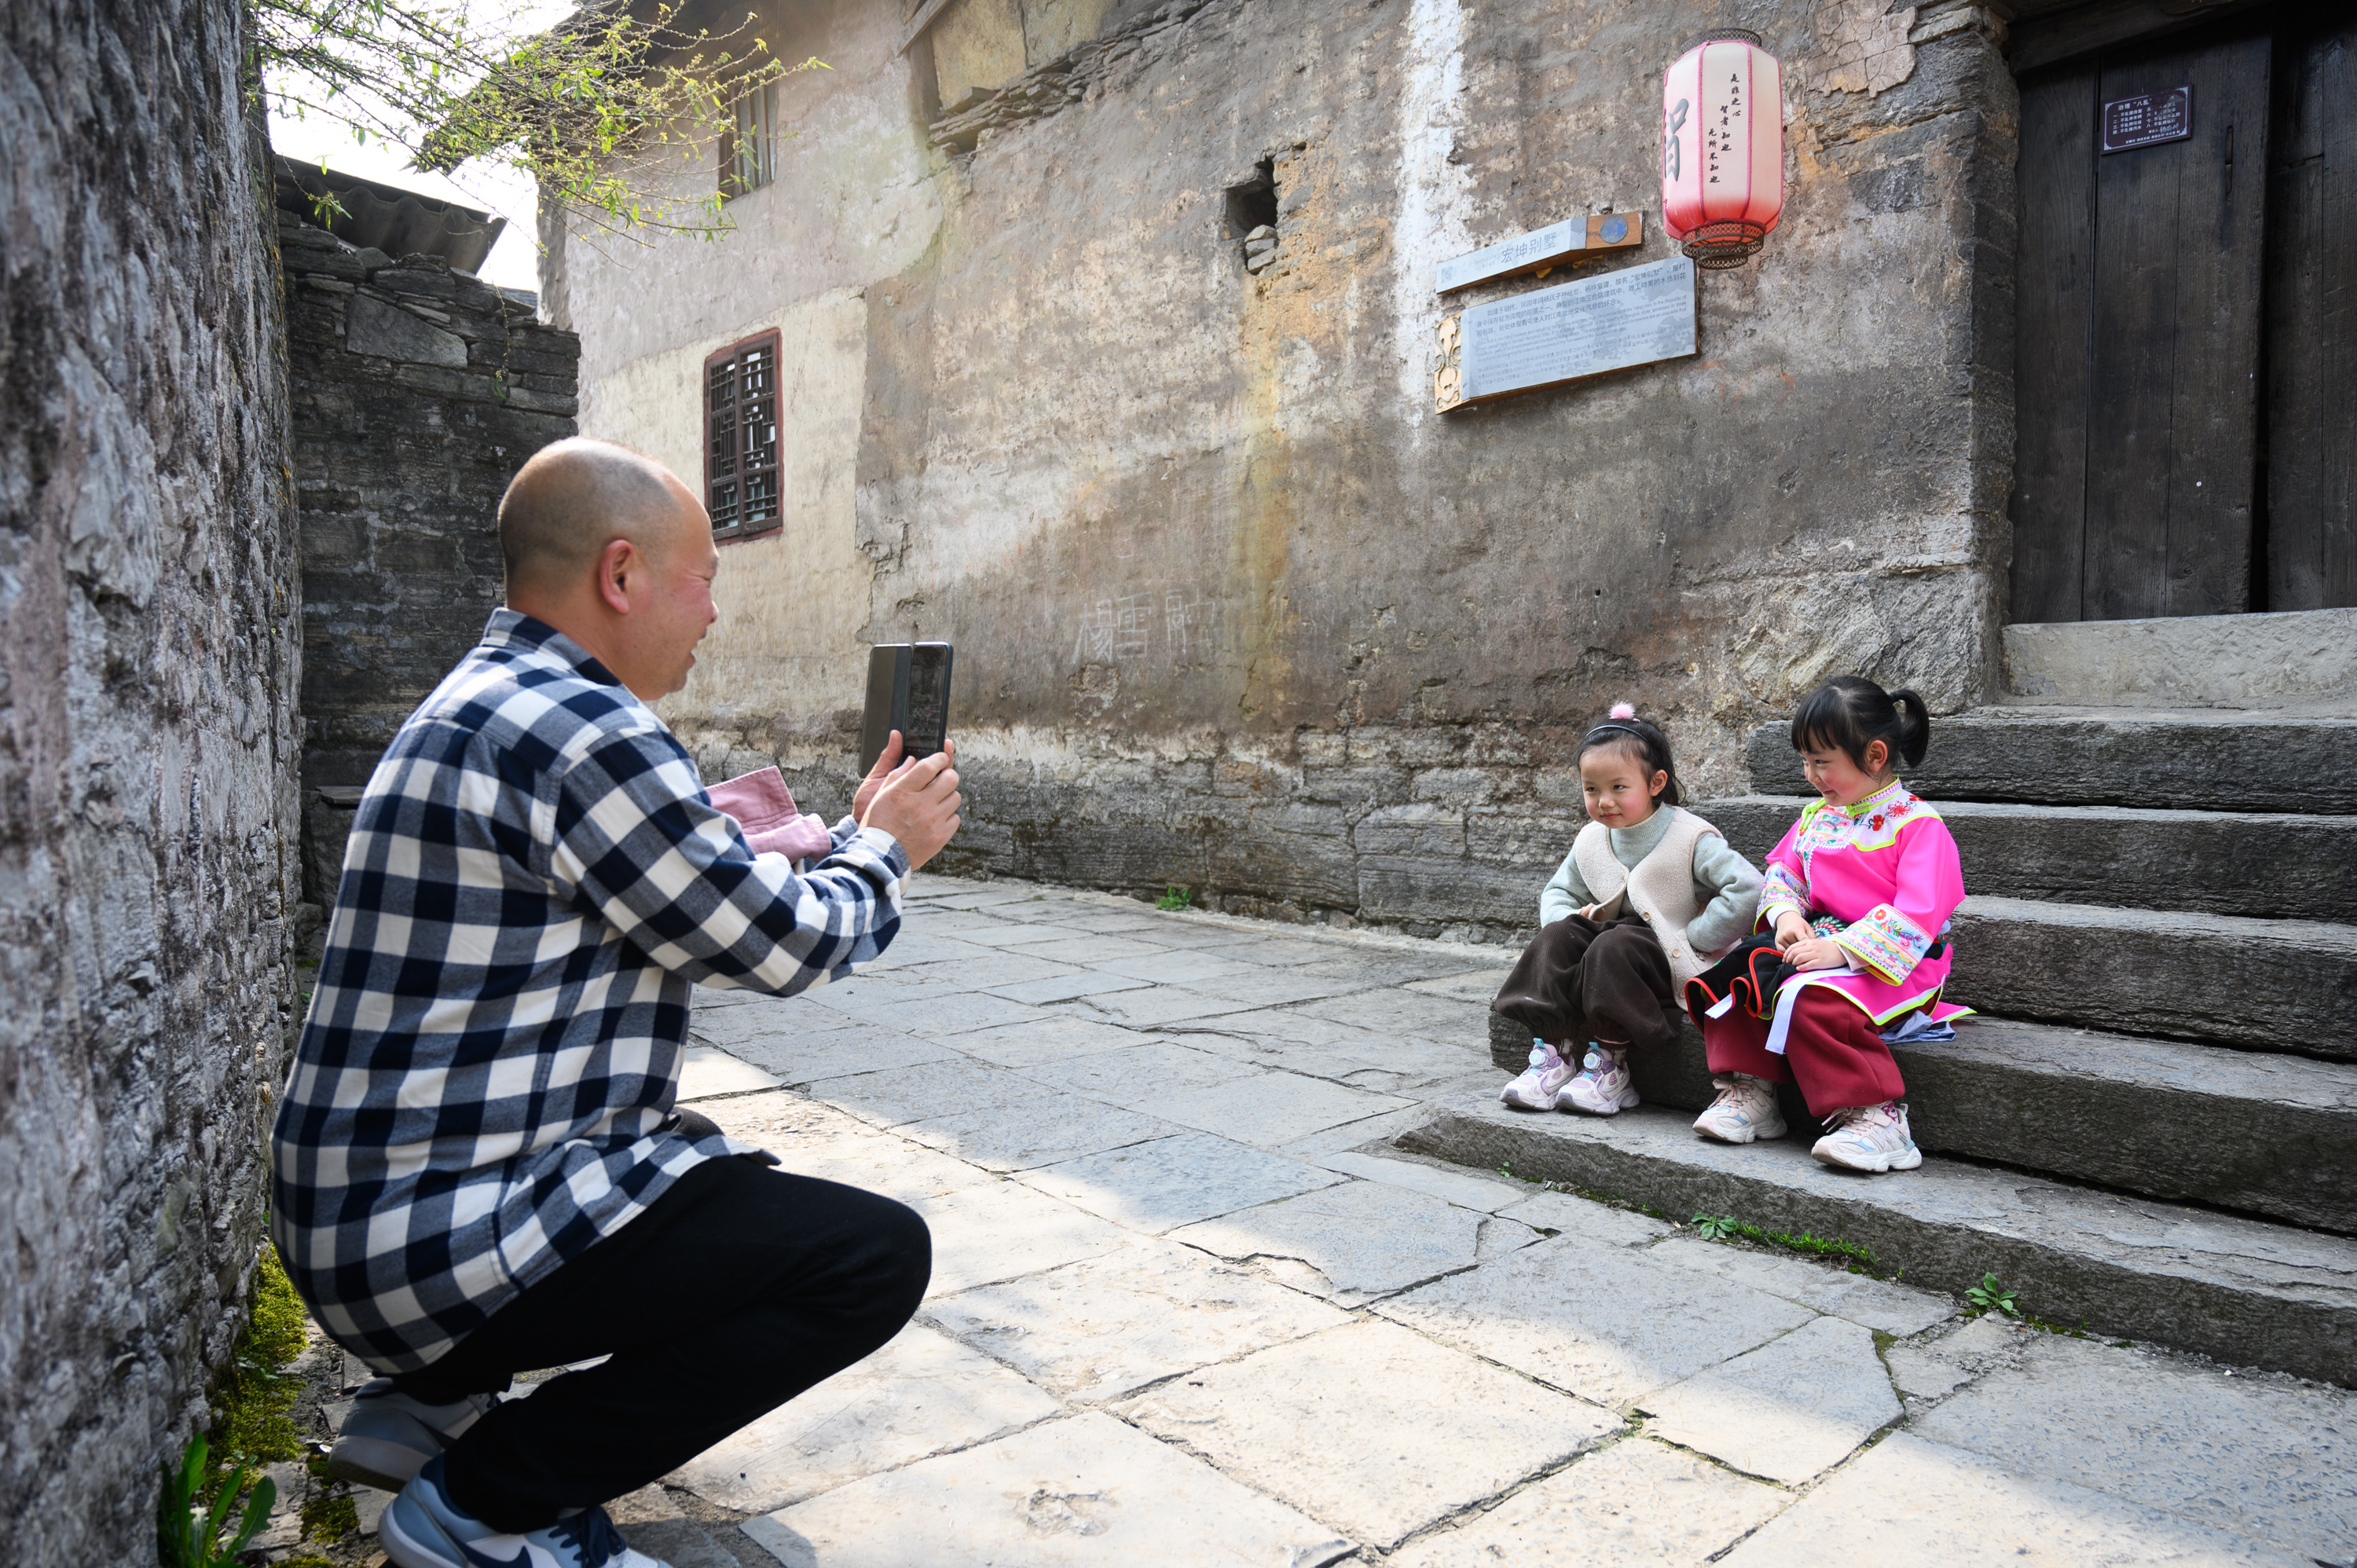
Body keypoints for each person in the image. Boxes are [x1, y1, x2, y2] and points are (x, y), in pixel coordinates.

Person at [270, 438, 964, 1568]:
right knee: (867, 1257)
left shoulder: (498, 698)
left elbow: (705, 886)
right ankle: (485, 1507)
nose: (712, 614)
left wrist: (850, 835)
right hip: (426, 1240)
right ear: (623, 574)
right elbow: (784, 944)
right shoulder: (581, 731)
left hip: (355, 1222)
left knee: (688, 1167)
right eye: (704, 581)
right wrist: (888, 854)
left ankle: (424, 1414)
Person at [1692, 675, 1971, 1172]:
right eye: (1806, 761)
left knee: (1816, 998)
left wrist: (1841, 950)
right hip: (1819, 944)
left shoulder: (1918, 826)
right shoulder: (1817, 817)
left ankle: (1877, 1118)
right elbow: (1783, 874)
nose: (1811, 774)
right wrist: (1785, 915)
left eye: (1822, 761)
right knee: (1741, 969)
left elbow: (1918, 915)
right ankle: (1752, 1092)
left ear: (1876, 755)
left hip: (1895, 963)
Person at [1492, 705, 1764, 1116]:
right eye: (1591, 789)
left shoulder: (1689, 836)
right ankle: (1555, 1053)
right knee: (1555, 937)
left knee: (1613, 945)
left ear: (1656, 783)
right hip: (1610, 953)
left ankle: (1609, 1065)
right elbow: (1558, 893)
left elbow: (1746, 888)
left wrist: (1698, 935)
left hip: (1664, 959)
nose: (1604, 802)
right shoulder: (1592, 840)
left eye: (1619, 787)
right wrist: (1570, 925)